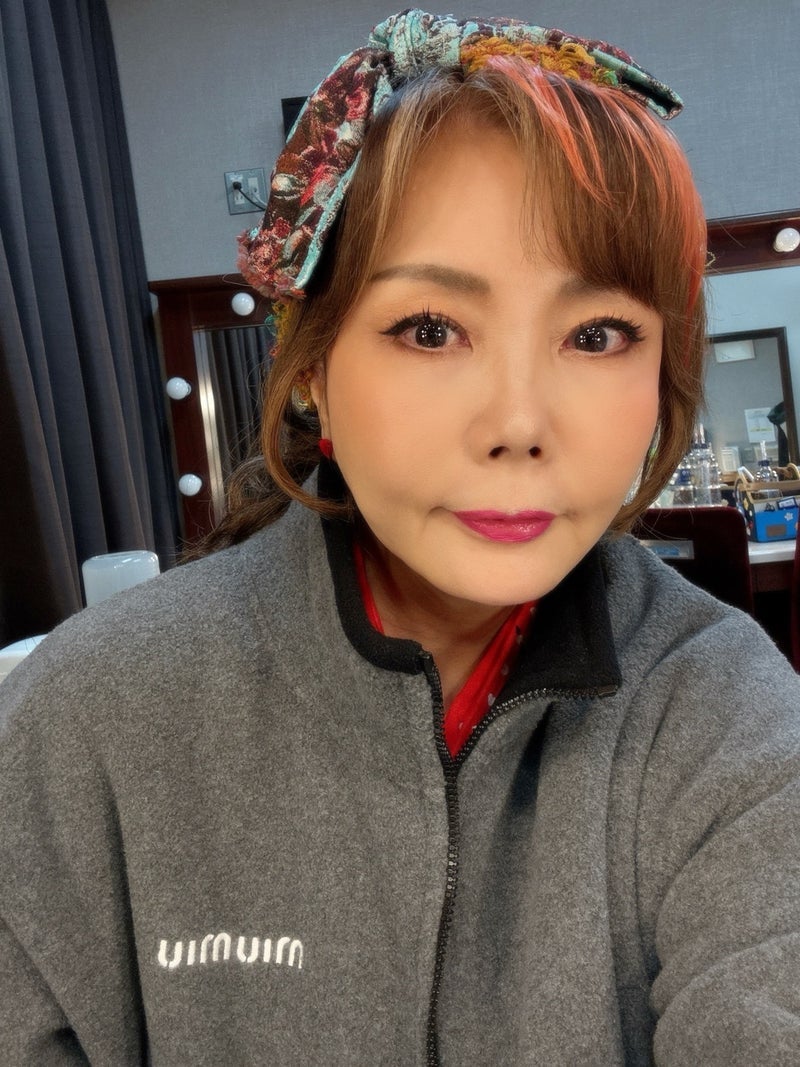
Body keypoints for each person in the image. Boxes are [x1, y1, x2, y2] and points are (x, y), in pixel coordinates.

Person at [1, 10, 799, 1064]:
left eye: (596, 334)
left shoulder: (720, 707)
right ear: (314, 369)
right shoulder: (90, 713)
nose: (518, 423)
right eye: (430, 329)